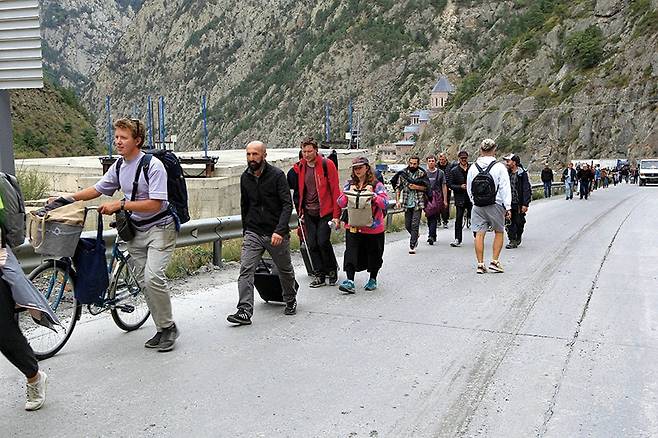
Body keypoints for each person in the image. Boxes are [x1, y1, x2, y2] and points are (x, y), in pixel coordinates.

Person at [66, 118, 179, 351]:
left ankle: (169, 328)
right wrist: (67, 199)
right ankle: (161, 329)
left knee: (153, 278)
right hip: (135, 230)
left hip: (160, 228)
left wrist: (121, 205)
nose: (117, 141)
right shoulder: (119, 166)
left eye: (123, 137)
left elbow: (156, 204)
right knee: (143, 282)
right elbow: (97, 189)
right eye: (116, 137)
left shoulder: (153, 166)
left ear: (137, 141)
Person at [227, 141, 297, 325]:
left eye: (255, 154)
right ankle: (244, 310)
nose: (251, 158)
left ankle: (290, 299)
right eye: (249, 154)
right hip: (254, 232)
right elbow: (245, 206)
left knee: (284, 269)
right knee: (246, 270)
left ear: (264, 155)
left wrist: (280, 231)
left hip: (276, 233)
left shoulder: (277, 176)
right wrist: (246, 230)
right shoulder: (245, 177)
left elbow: (287, 205)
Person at [288, 138, 341, 288]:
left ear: (316, 150)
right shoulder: (301, 167)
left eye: (309, 151)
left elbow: (335, 190)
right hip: (308, 212)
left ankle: (331, 270)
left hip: (325, 211)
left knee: (322, 241)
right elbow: (299, 190)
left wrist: (336, 215)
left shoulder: (327, 164)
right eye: (304, 151)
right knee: (311, 244)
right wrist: (300, 211)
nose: (306, 154)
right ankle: (319, 274)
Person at [336, 157, 388, 294]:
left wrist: (374, 197)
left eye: (360, 167)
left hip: (373, 227)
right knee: (351, 252)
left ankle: (372, 279)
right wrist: (348, 195)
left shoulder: (377, 185)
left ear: (366, 168)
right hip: (353, 226)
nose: (357, 170)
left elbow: (385, 203)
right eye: (355, 168)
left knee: (374, 254)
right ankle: (350, 281)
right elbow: (340, 203)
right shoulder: (349, 184)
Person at [467, 139, 511, 274]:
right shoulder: (499, 167)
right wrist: (508, 207)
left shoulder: (473, 167)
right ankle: (494, 261)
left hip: (478, 205)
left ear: (480, 150)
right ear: (494, 150)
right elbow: (505, 187)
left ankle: (480, 264)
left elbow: (469, 187)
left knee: (479, 234)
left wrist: (474, 201)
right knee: (499, 231)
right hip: (495, 204)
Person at [395, 156, 429, 254]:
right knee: (407, 225)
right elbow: (398, 188)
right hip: (406, 202)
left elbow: (427, 188)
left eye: (415, 164)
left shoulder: (422, 174)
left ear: (418, 164)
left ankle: (412, 245)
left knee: (415, 224)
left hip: (418, 203)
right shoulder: (403, 174)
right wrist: (397, 201)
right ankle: (415, 235)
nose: (413, 165)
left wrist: (416, 187)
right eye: (411, 163)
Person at [503, 154, 531, 249]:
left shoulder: (522, 174)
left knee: (519, 222)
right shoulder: (506, 174)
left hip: (519, 203)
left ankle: (518, 236)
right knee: (509, 222)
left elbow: (526, 189)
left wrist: (525, 204)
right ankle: (512, 240)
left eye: (508, 161)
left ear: (514, 162)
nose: (507, 163)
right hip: (508, 204)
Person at [449, 150, 472, 247]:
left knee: (475, 218)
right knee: (458, 219)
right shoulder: (454, 171)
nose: (464, 160)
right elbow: (450, 185)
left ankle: (477, 237)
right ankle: (457, 238)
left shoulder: (472, 169)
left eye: (465, 158)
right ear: (459, 159)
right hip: (460, 198)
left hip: (471, 198)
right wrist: (460, 187)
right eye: (462, 158)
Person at [424, 155, 448, 245]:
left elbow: (444, 185)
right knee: (429, 216)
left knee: (434, 216)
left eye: (432, 161)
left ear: (435, 162)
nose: (431, 162)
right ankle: (433, 234)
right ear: (427, 162)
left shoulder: (440, 173)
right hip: (427, 197)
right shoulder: (424, 173)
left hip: (437, 197)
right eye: (429, 161)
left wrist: (445, 200)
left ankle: (431, 235)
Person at [436, 152, 453, 228]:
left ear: (445, 159)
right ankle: (438, 220)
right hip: (437, 188)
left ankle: (445, 220)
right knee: (436, 205)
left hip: (447, 188)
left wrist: (450, 186)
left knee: (445, 204)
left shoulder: (450, 166)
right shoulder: (436, 167)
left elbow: (452, 176)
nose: (441, 161)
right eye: (440, 159)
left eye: (443, 159)